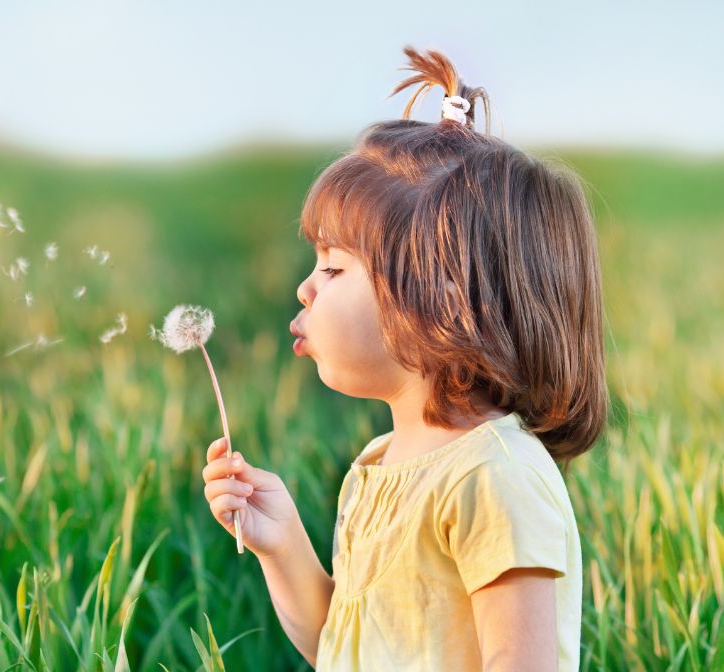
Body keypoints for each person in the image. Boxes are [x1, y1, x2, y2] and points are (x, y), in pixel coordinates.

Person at [201, 44, 607, 671]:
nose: (306, 287)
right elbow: (343, 647)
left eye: (333, 267)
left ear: (440, 299)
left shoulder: (493, 478)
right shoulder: (376, 467)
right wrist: (281, 546)